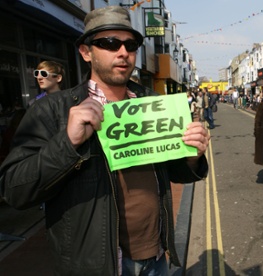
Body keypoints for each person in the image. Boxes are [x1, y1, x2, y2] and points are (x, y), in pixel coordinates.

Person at [0, 6, 209, 275]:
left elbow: (172, 171)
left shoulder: (154, 104)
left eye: (130, 44)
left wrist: (191, 155)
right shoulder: (51, 111)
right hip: (98, 266)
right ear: (86, 52)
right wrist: (67, 143)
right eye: (109, 43)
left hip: (157, 257)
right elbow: (14, 190)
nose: (122, 52)